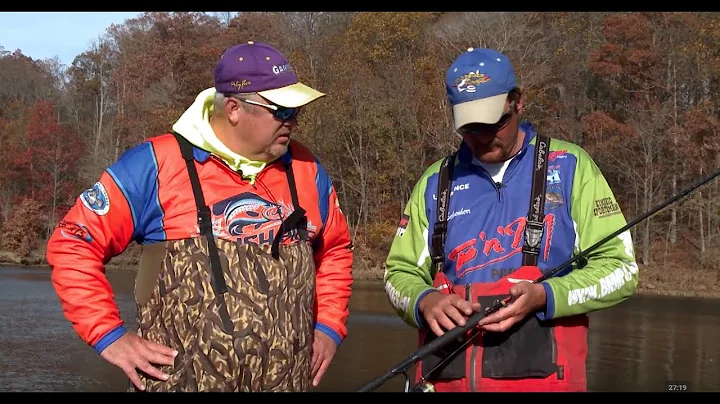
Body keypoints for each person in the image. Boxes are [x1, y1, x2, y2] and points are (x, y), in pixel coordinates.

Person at [46, 41, 354, 392]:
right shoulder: (156, 165)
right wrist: (109, 335)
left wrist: (329, 327)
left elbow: (335, 251)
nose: (293, 122)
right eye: (282, 110)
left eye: (296, 111)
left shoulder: (307, 170)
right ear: (235, 109)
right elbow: (73, 243)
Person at [383, 47, 638, 392]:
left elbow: (621, 270)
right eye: (470, 127)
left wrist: (546, 295)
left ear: (517, 102)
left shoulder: (571, 167)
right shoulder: (434, 183)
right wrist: (424, 300)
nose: (482, 136)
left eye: (493, 122)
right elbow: (398, 273)